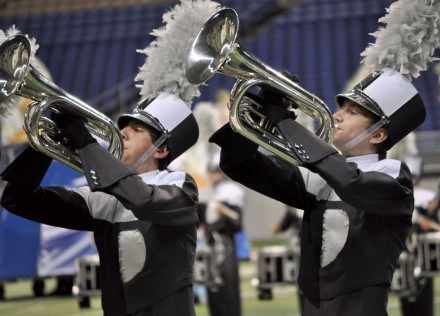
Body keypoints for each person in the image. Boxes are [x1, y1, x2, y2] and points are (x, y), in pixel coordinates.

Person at [208, 67, 426, 315]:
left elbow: (351, 182)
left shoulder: (394, 175)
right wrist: (259, 114)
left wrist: (285, 121)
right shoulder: (323, 177)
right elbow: (240, 165)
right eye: (340, 108)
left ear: (377, 134)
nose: (336, 116)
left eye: (352, 112)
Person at [0, 92, 200, 316]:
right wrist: (48, 144)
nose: (122, 132)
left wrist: (86, 143)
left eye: (137, 130)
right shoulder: (103, 197)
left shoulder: (179, 184)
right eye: (124, 127)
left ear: (161, 150)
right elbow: (18, 200)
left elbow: (143, 200)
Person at [197, 153, 244, 316]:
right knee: (214, 296)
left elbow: (237, 224)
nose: (213, 175)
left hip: (226, 251)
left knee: (228, 296)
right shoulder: (209, 195)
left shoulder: (230, 195)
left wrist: (223, 212)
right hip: (210, 252)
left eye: (216, 172)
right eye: (211, 172)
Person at [399, 156, 438, 316]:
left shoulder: (427, 198)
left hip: (422, 257)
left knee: (424, 299)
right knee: (406, 295)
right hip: (405, 254)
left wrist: (428, 222)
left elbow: (433, 225)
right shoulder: (399, 196)